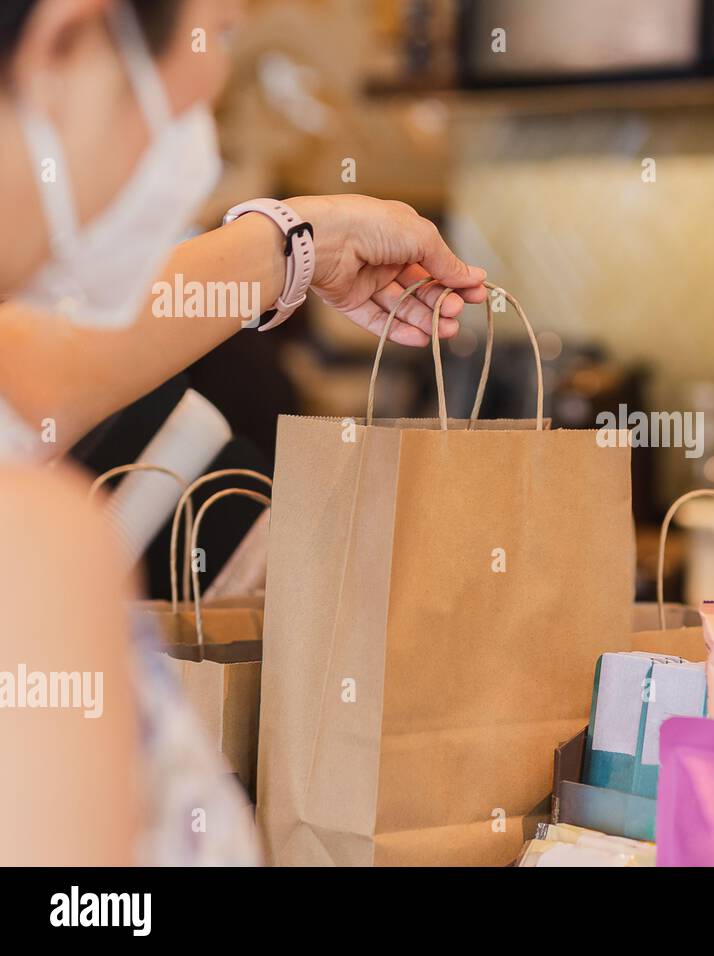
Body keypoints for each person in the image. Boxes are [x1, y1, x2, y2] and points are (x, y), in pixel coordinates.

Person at [0, 0, 488, 864]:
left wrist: (298, 243)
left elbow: (39, 363)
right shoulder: (34, 547)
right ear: (69, 43)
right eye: (216, 34)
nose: (219, 74)